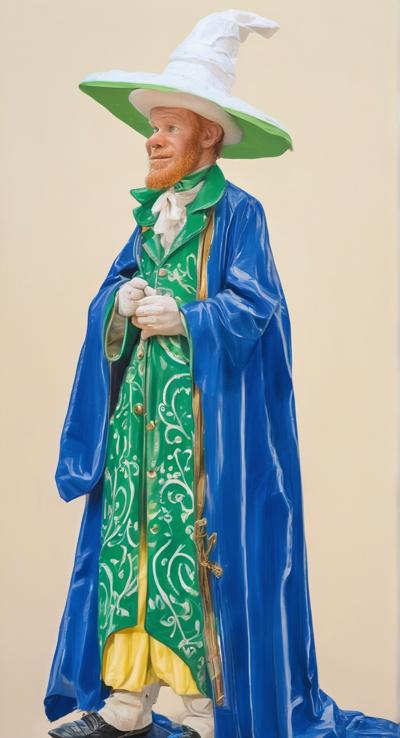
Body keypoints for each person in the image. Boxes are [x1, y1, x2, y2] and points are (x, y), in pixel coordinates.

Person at [45, 10, 400, 738]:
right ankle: (126, 704)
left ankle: (211, 712)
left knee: (196, 557)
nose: (152, 139)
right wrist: (120, 303)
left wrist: (189, 317)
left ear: (207, 136)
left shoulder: (240, 214)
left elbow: (257, 307)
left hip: (202, 432)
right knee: (131, 554)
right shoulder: (150, 219)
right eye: (154, 128)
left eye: (169, 127)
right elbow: (109, 295)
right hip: (139, 429)